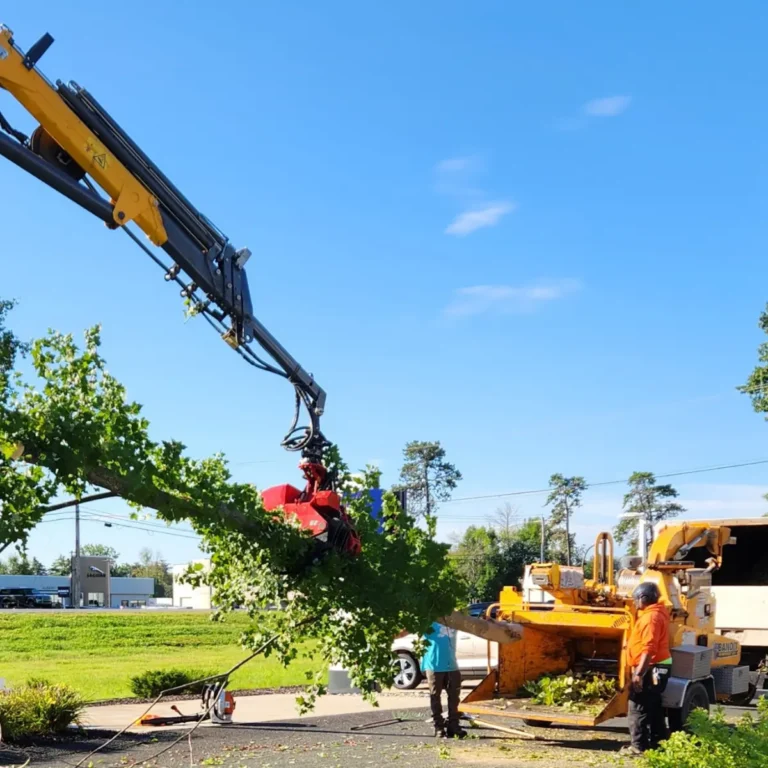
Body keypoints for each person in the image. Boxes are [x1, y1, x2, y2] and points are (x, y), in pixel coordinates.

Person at [621, 581, 672, 755]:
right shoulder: (655, 614)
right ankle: (659, 744)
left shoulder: (651, 618)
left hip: (652, 667)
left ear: (643, 597)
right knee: (654, 706)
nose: (634, 603)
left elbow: (649, 648)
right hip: (657, 666)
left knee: (637, 705)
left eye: (635, 599)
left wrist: (639, 673)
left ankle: (638, 747)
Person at [421, 621, 467, 739]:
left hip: (451, 665)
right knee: (435, 696)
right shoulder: (428, 619)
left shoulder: (453, 620)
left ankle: (453, 725)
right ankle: (439, 727)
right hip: (434, 665)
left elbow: (472, 625)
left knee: (454, 696)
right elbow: (407, 629)